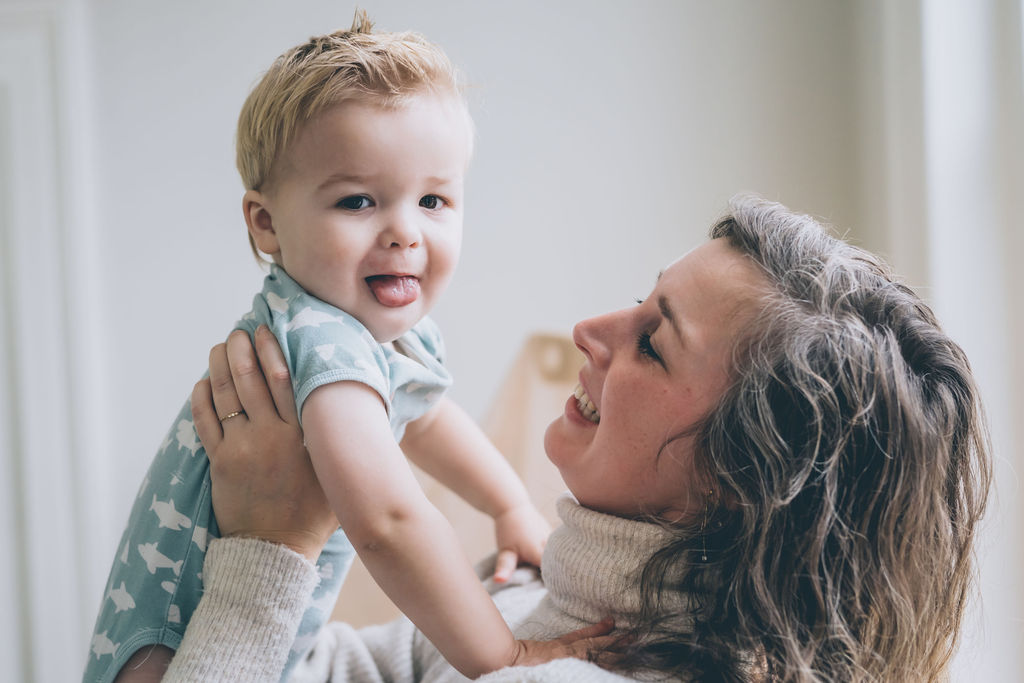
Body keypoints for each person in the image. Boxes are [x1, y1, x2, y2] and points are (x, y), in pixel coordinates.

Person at [164, 195, 993, 682]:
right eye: (640, 298)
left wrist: (267, 548)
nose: (591, 329)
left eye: (654, 343)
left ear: (744, 478)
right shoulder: (529, 610)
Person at [84, 13, 555, 683]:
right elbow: (387, 521)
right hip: (176, 659)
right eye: (359, 201)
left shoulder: (368, 329)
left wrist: (510, 506)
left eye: (433, 199)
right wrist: (502, 654)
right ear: (267, 223)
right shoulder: (318, 337)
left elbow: (424, 415)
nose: (405, 232)